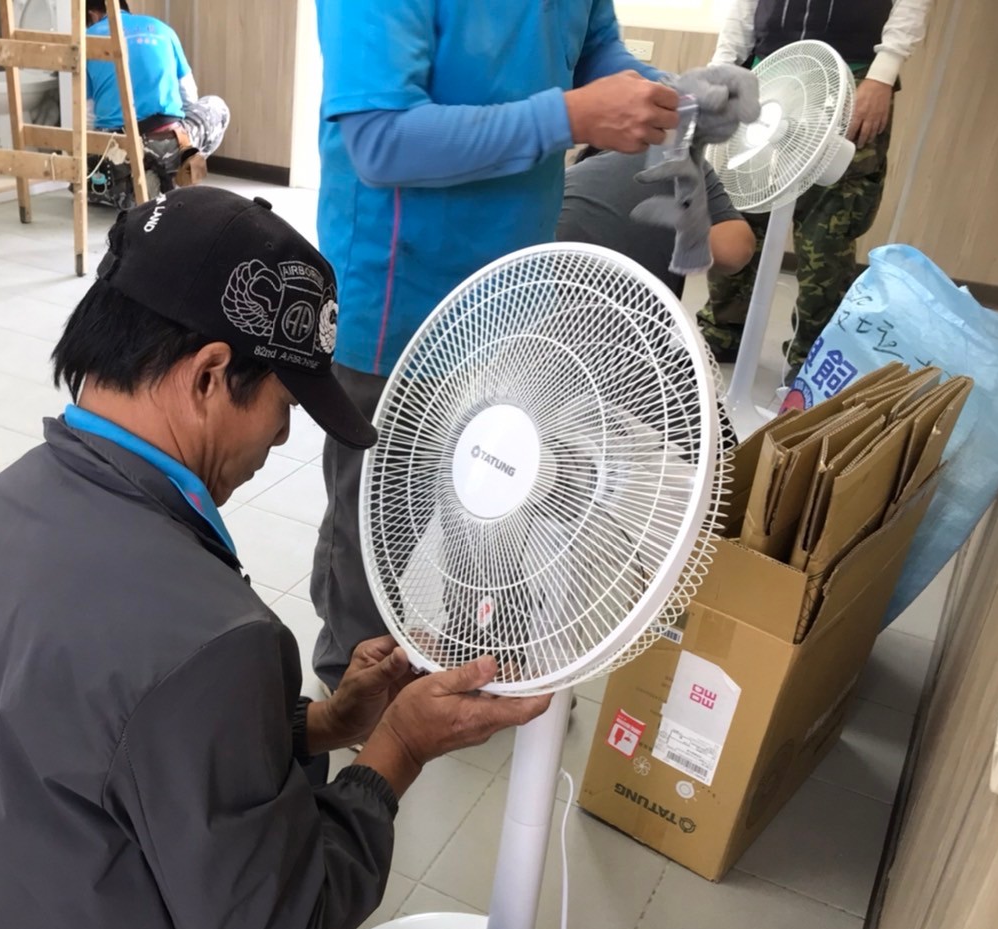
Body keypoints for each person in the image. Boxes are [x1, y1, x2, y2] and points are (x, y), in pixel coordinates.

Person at [0, 187, 551, 929]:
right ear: (210, 376)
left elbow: (92, 742)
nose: (283, 435)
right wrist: (396, 750)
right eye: (283, 401)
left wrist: (324, 724)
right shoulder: (214, 636)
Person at [309, 0, 685, 692]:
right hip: (400, 294)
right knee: (377, 517)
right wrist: (567, 118)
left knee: (499, 486)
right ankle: (355, 684)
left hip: (513, 290)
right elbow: (379, 140)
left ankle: (480, 650)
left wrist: (662, 97)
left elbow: (594, 48)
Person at [698, 0, 932, 383]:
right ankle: (722, 332)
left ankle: (812, 355)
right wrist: (722, 70)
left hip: (852, 78)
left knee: (828, 229)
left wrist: (883, 74)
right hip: (769, 70)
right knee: (737, 208)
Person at [557, 146, 756, 298]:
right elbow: (733, 252)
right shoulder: (680, 163)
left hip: (549, 329)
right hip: (636, 333)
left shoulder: (564, 181)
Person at [85, 0, 229, 159]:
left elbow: (88, 115)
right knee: (217, 106)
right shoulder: (163, 29)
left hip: (115, 152)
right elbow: (189, 97)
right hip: (166, 144)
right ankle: (183, 166)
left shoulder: (86, 39)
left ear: (93, 15)